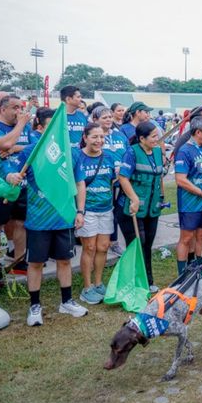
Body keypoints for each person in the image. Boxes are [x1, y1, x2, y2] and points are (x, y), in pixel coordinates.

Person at [7, 130, 88, 327]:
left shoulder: (72, 154)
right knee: (35, 264)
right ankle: (34, 306)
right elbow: (10, 172)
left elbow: (80, 183)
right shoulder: (30, 152)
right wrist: (12, 178)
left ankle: (66, 302)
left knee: (65, 261)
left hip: (64, 217)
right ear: (41, 130)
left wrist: (80, 211)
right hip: (38, 220)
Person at [0, 95, 34, 275]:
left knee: (21, 223)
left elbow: (37, 146)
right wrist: (20, 126)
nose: (19, 112)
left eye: (21, 107)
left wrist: (14, 148)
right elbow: (4, 142)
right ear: (2, 109)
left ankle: (19, 262)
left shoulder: (25, 127)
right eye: (15, 108)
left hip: (22, 184)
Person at [117, 121, 165, 292]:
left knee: (148, 244)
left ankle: (148, 280)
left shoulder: (158, 152)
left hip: (152, 208)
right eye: (153, 136)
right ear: (141, 138)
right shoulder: (131, 152)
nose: (156, 139)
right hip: (131, 208)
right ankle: (133, 281)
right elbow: (123, 178)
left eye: (157, 136)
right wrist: (134, 199)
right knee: (137, 244)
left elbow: (159, 176)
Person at [73, 123, 119, 304]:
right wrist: (80, 211)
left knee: (103, 247)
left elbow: (114, 180)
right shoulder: (77, 156)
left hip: (106, 208)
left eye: (101, 137)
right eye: (94, 137)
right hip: (87, 210)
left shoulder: (108, 157)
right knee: (89, 248)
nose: (99, 141)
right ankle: (87, 287)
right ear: (85, 137)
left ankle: (99, 283)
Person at [174, 117, 202, 276]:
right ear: (198, 132)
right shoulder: (185, 151)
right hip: (190, 203)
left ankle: (201, 269)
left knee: (201, 235)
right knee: (186, 239)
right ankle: (182, 274)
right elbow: (180, 180)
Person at [91, 106, 128, 255]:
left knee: (117, 212)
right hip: (103, 181)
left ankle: (113, 241)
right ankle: (104, 241)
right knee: (105, 210)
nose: (108, 120)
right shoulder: (94, 137)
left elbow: (128, 153)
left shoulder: (119, 135)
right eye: (104, 118)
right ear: (95, 120)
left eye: (110, 117)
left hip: (122, 180)